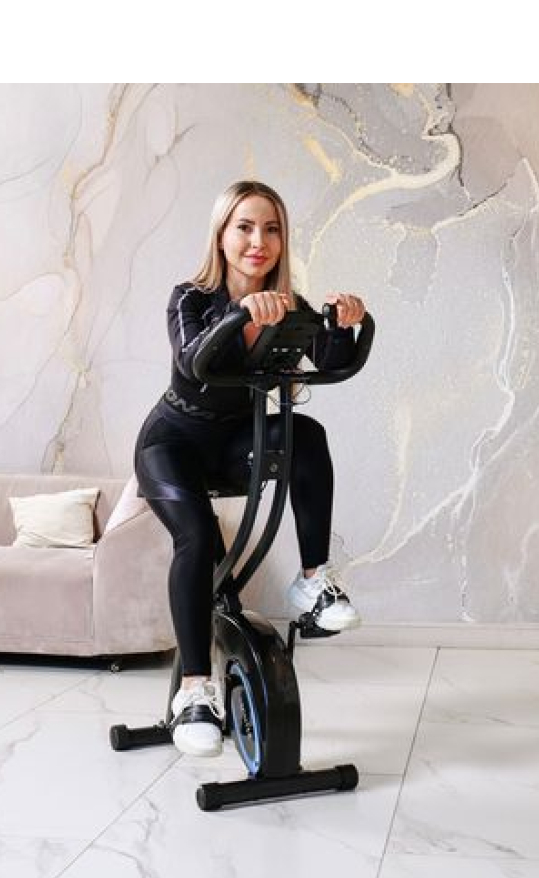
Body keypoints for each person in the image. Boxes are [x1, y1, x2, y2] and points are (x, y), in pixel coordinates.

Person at [133, 180, 368, 757]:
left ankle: (312, 579)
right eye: (244, 227)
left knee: (307, 435)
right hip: (171, 446)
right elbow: (194, 359)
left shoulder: (289, 306)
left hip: (239, 443)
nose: (258, 241)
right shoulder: (190, 298)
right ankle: (194, 692)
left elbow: (329, 361)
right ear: (221, 235)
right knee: (196, 539)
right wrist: (240, 315)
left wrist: (344, 323)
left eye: (271, 229)